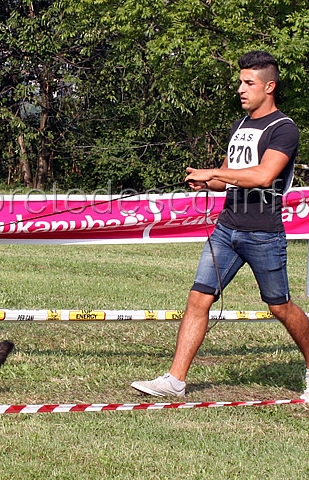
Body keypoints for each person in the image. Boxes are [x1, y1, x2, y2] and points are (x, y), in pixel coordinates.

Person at [131, 51, 309, 400]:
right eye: (240, 82)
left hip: (263, 233)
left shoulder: (283, 128)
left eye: (249, 83)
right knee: (199, 298)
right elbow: (228, 177)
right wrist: (206, 182)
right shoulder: (240, 125)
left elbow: (263, 175)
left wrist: (215, 173)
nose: (241, 89)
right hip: (226, 230)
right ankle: (175, 381)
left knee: (280, 306)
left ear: (269, 86)